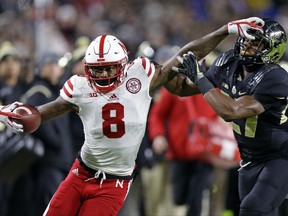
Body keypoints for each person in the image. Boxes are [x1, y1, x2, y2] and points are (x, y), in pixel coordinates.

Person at [0, 17, 264, 215]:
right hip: (79, 173)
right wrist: (24, 116)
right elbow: (46, 112)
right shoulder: (79, 87)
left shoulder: (141, 75)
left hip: (114, 182)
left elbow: (185, 56)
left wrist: (225, 30)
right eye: (97, 70)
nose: (102, 76)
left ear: (123, 65)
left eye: (108, 69)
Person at [172, 18, 288, 216]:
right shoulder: (229, 62)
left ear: (272, 49)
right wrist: (168, 72)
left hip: (279, 157)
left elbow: (231, 111)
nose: (247, 45)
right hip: (250, 158)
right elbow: (183, 89)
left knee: (252, 209)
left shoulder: (275, 77)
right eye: (246, 39)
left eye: (255, 42)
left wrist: (199, 78)